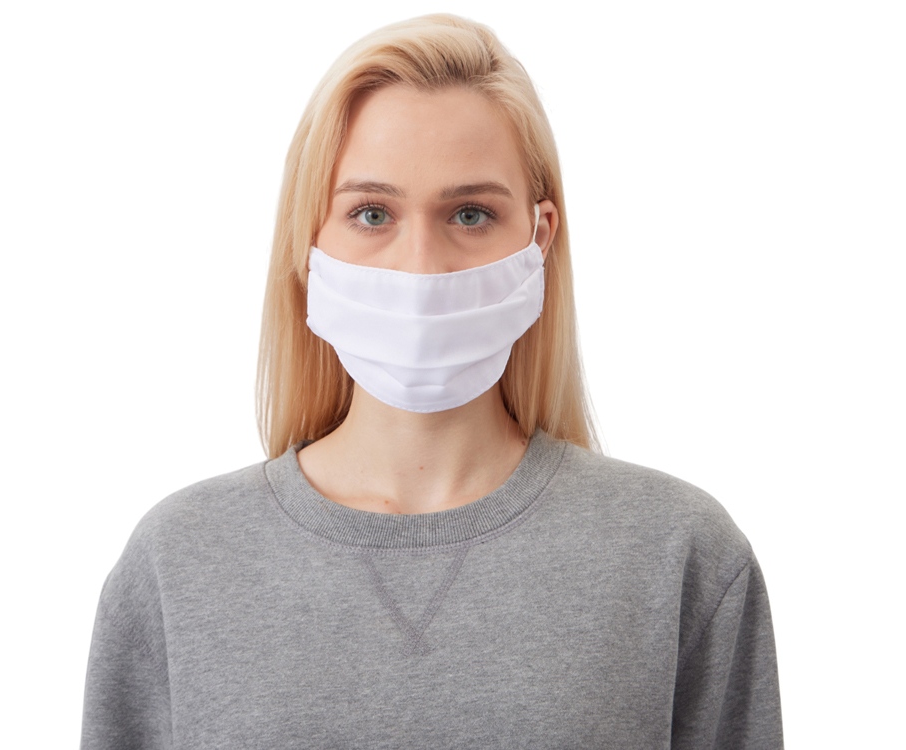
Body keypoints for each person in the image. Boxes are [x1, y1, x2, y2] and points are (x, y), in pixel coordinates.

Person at [81, 14, 782, 749]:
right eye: (371, 213)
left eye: (470, 214)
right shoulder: (179, 562)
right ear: (308, 240)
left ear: (539, 238)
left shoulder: (677, 554)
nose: (420, 267)